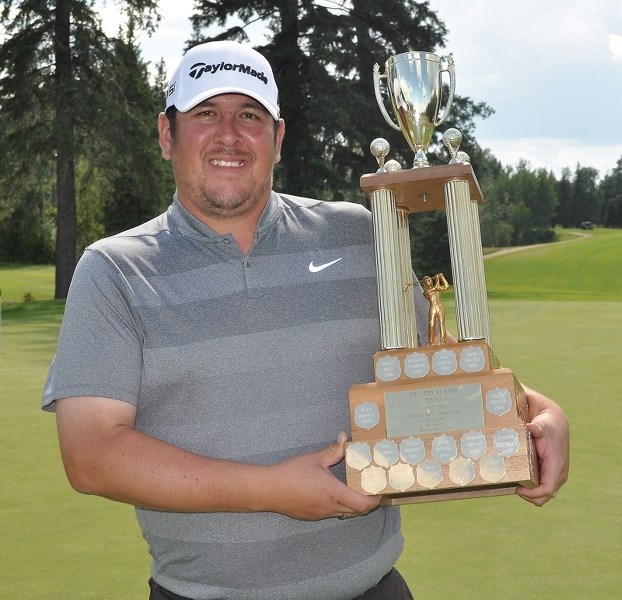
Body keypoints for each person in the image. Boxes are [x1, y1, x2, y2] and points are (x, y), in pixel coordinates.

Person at [42, 41, 569, 600]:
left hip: (372, 588)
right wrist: (269, 489)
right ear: (167, 135)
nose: (228, 133)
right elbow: (92, 455)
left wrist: (538, 414)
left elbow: (435, 373)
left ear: (278, 138)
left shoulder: (357, 233)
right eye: (205, 114)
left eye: (250, 115)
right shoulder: (114, 270)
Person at [420, 273, 449, 345]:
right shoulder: (426, 292)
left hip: (439, 306)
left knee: (442, 323)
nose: (428, 281)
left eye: (429, 280)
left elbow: (446, 286)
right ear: (424, 284)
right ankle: (431, 342)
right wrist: (437, 279)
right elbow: (435, 288)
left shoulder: (436, 287)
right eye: (426, 281)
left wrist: (442, 277)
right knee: (431, 324)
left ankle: (443, 341)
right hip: (432, 307)